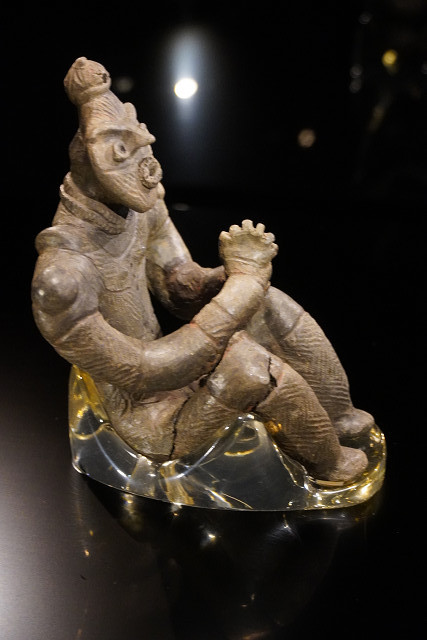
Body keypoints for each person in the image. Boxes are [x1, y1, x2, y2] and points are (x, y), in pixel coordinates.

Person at [32, 57, 373, 482]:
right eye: (126, 155)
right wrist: (241, 286)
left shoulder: (139, 207)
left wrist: (232, 277)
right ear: (98, 161)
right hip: (149, 418)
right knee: (248, 367)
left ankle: (339, 416)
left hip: (175, 379)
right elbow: (149, 369)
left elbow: (180, 285)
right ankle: (328, 465)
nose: (150, 171)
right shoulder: (63, 279)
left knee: (266, 301)